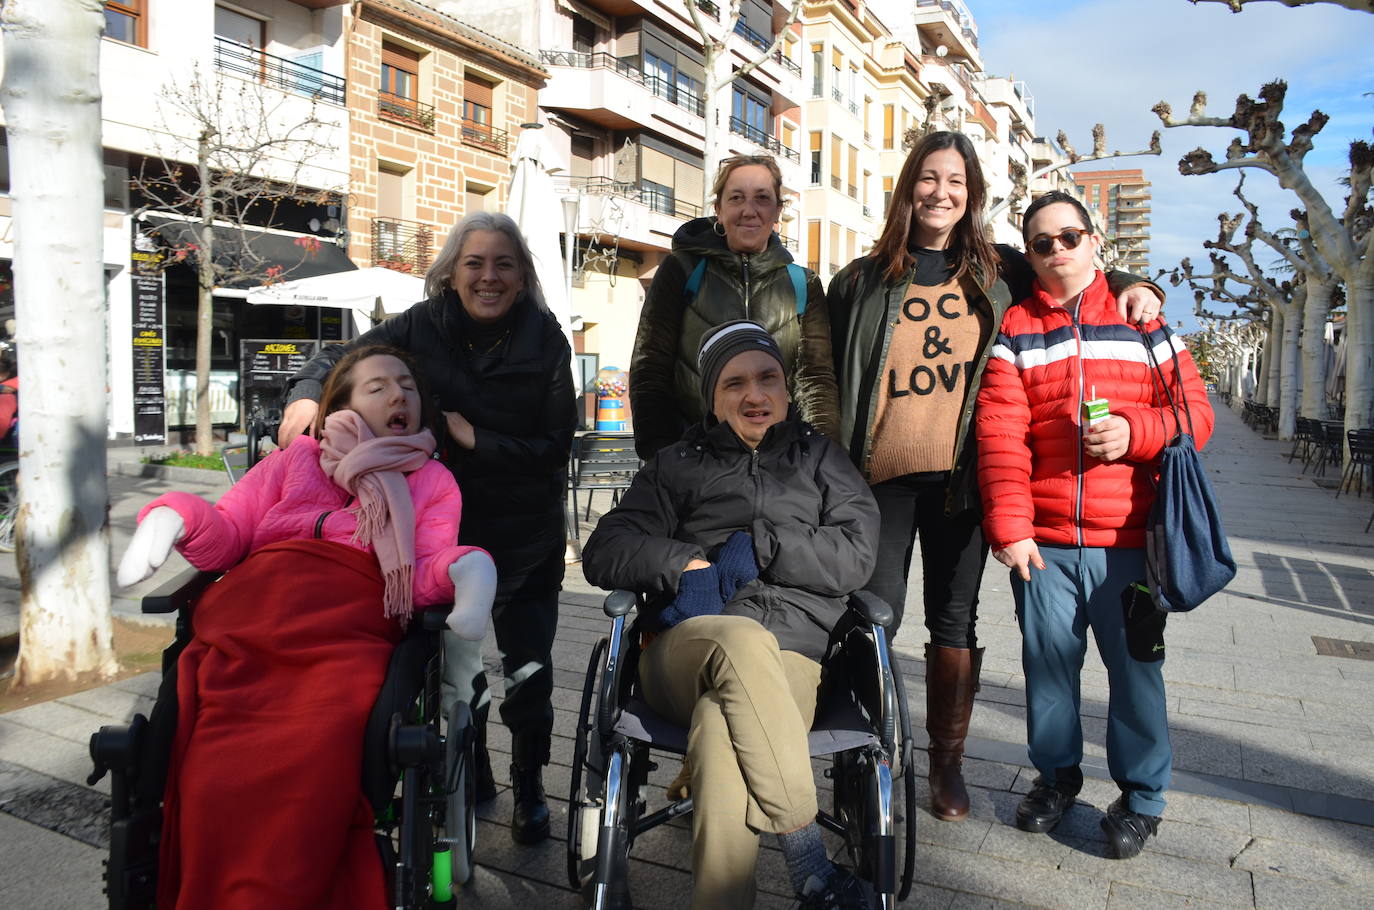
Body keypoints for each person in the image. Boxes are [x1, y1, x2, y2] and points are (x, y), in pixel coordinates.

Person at [826, 130, 1166, 822]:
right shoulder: (859, 280)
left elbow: (1075, 270)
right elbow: (828, 379)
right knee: (869, 617)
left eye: (955, 181)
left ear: (972, 193)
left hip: (962, 481)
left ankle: (946, 766)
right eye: (928, 177)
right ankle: (863, 758)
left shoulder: (1001, 268)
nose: (940, 192)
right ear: (907, 185)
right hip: (878, 480)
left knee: (955, 620)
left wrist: (1137, 285)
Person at [116, 346, 498, 910]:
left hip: (349, 620)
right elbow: (228, 536)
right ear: (338, 404)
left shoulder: (432, 479)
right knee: (212, 761)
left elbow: (418, 578)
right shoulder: (291, 462)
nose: (398, 395)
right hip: (255, 610)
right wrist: (174, 514)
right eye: (378, 387)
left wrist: (466, 567)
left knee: (317, 747)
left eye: (407, 386)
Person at [275, 212, 577, 845]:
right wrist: (306, 394)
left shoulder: (545, 338)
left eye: (503, 264)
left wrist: (480, 440)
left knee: (530, 671)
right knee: (458, 669)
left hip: (524, 535)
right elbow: (343, 356)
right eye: (475, 263)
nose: (488, 277)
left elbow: (556, 445)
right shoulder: (421, 325)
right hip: (444, 530)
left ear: (522, 276)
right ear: (451, 272)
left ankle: (529, 788)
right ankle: (479, 775)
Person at [583, 321, 880, 910]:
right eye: (735, 383)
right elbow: (605, 550)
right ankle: (809, 862)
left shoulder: (820, 458)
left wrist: (765, 543)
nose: (754, 395)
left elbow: (857, 556)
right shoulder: (677, 465)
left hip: (793, 653)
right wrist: (684, 562)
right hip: (686, 648)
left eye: (768, 378)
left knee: (722, 730)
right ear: (712, 399)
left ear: (787, 391)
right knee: (739, 641)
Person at [975, 191, 1213, 859]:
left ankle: (1142, 800)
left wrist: (1137, 432)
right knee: (1049, 671)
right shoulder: (1018, 330)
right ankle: (1056, 780)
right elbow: (1000, 435)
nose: (1057, 252)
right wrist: (1011, 528)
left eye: (1069, 237)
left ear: (1095, 240)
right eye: (1041, 243)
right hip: (1045, 544)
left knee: (1138, 673)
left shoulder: (1147, 324)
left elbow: (1197, 417)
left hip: (1132, 545)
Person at [629, 154, 838, 459]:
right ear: (719, 209)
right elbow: (651, 366)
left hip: (780, 464)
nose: (748, 210)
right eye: (737, 197)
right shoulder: (682, 270)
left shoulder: (802, 283)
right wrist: (663, 457)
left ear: (777, 210)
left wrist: (822, 458)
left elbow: (815, 380)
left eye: (762, 198)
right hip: (695, 460)